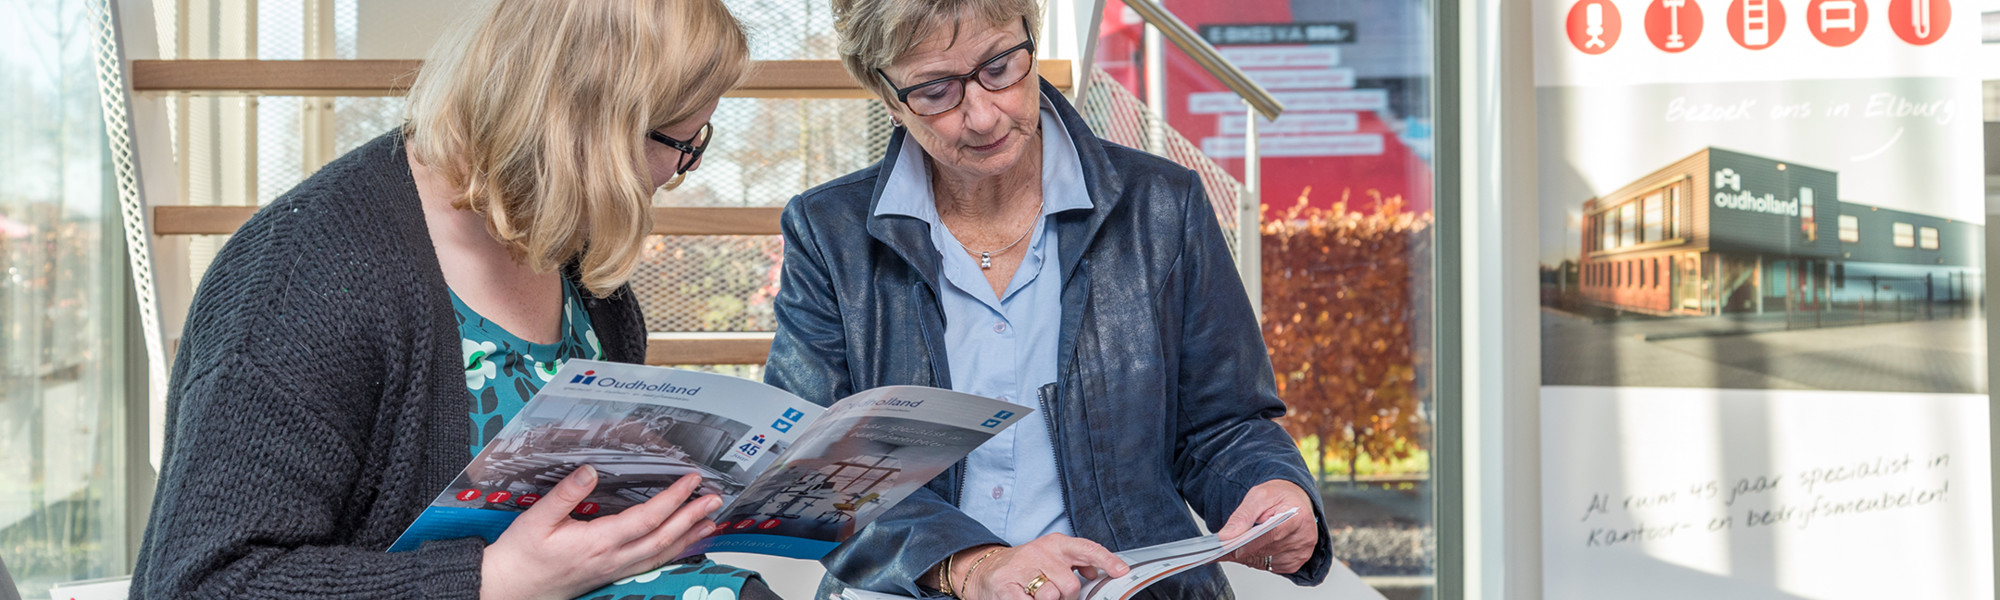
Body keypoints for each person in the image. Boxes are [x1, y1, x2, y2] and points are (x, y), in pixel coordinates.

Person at [129, 1, 783, 598]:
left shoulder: (574, 258)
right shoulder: (304, 277)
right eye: (678, 143)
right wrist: (495, 580)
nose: (678, 172)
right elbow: (202, 585)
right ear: (584, 126)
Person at [762, 0, 1335, 598]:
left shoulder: (1164, 205)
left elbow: (1222, 423)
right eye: (935, 91)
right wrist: (972, 566)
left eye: (1000, 67)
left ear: (1030, 39)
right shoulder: (829, 232)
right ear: (887, 98)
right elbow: (816, 472)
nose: (983, 116)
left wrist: (1273, 485)